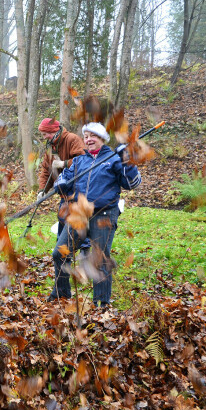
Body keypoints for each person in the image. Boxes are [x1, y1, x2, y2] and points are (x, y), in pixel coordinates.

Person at [48, 122, 141, 307]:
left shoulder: (114, 158)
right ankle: (62, 293)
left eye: (93, 136)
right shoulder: (81, 160)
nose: (89, 140)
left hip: (104, 214)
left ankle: (101, 303)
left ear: (102, 139)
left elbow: (132, 184)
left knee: (100, 258)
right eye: (86, 136)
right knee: (59, 253)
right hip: (80, 214)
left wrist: (127, 161)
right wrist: (61, 183)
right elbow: (65, 176)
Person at [36, 118, 86, 235]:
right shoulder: (51, 147)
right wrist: (42, 190)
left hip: (79, 190)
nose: (43, 137)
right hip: (64, 191)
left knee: (80, 223)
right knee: (63, 220)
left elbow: (84, 161)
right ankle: (62, 251)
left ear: (52, 131)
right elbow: (45, 171)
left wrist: (64, 163)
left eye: (44, 134)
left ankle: (84, 250)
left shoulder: (72, 139)